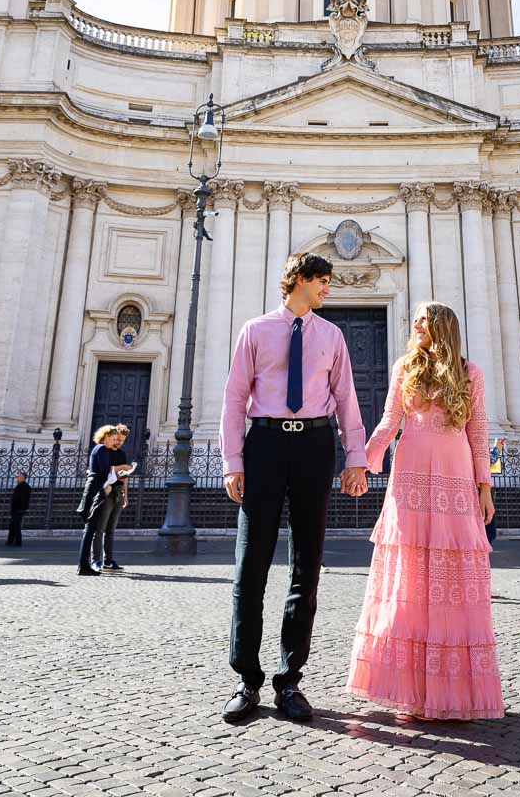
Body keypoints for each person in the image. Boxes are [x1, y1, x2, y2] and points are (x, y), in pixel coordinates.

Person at [220, 252, 368, 724]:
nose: (328, 288)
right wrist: (232, 461)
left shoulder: (333, 335)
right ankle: (246, 679)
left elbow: (346, 398)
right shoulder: (255, 330)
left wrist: (356, 458)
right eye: (322, 280)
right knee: (251, 566)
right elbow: (233, 397)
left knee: (306, 568)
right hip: (263, 443)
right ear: (300, 280)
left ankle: (290, 680)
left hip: (315, 446)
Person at [347, 303, 504, 721]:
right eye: (415, 320)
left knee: (450, 578)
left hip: (453, 476)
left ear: (441, 328)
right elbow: (388, 423)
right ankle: (411, 689)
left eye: (422, 321)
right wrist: (361, 459)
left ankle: (451, 690)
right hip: (411, 476)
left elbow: (479, 430)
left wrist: (484, 487)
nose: (415, 326)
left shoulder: (471, 373)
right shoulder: (404, 367)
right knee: (411, 576)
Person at [76, 426, 120, 576]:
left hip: (93, 489)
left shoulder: (98, 449)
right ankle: (83, 566)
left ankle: (83, 565)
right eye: (113, 439)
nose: (115, 442)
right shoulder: (101, 449)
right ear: (106, 436)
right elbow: (103, 471)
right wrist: (119, 472)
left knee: (89, 530)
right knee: (90, 530)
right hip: (95, 491)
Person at [91, 423, 133, 571]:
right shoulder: (105, 451)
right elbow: (105, 471)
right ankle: (96, 560)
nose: (119, 443)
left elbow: (124, 477)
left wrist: (125, 495)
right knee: (100, 528)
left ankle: (109, 560)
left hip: (118, 493)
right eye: (118, 439)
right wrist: (121, 468)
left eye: (122, 441)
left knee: (111, 529)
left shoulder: (122, 454)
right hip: (106, 492)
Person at [6, 471, 32, 547]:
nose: (17, 478)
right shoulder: (19, 486)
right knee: (13, 526)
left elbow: (24, 500)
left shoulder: (25, 487)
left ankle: (17, 542)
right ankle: (10, 541)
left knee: (16, 526)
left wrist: (22, 509)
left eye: (18, 477)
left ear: (22, 478)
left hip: (18, 510)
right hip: (16, 509)